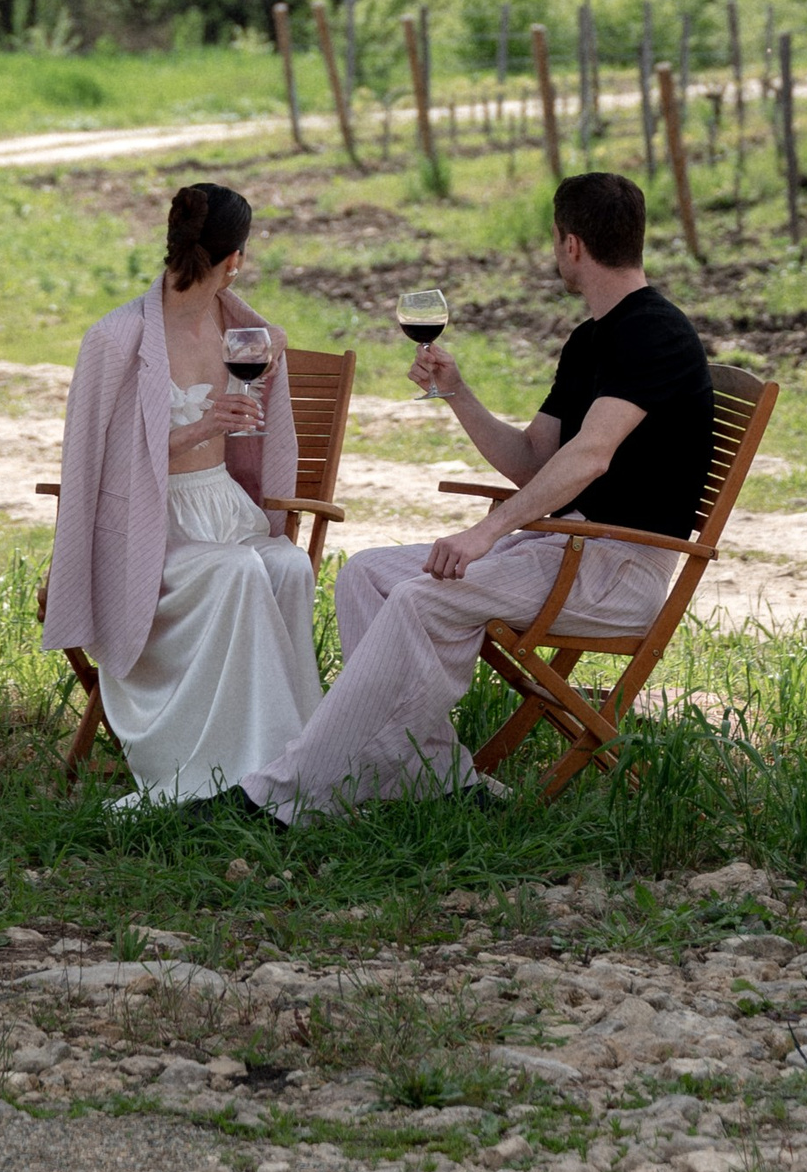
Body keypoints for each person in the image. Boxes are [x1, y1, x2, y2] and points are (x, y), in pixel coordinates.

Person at [241, 168, 712, 817]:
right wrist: (456, 393)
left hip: (617, 569)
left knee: (420, 598)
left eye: (555, 241)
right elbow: (534, 461)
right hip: (564, 550)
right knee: (366, 576)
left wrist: (485, 532)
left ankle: (283, 794)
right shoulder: (590, 340)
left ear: (571, 244)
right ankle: (435, 779)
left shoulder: (655, 333)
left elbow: (591, 454)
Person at [44, 180, 323, 804]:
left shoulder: (241, 328)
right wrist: (201, 428)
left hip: (223, 509)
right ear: (234, 259)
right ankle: (221, 773)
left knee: (288, 567)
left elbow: (264, 394)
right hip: (152, 524)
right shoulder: (116, 339)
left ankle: (295, 760)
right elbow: (93, 464)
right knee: (238, 572)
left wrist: (272, 346)